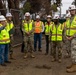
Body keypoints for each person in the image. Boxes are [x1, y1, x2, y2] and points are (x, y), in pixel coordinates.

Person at [66, 5, 76, 73]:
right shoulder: (69, 19)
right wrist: (67, 36)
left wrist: (72, 36)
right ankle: (73, 64)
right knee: (71, 51)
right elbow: (67, 28)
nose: (72, 11)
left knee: (74, 52)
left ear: (75, 10)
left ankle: (75, 66)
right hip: (69, 37)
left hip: (74, 38)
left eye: (73, 10)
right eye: (70, 10)